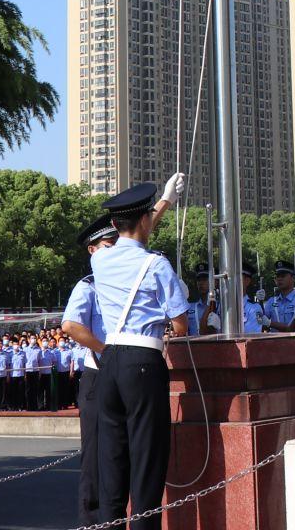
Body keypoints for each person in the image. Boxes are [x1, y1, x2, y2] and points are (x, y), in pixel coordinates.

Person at [91, 176, 192, 528]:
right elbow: (181, 325)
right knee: (147, 460)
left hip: (109, 360)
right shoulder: (157, 265)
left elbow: (136, 233)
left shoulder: (101, 261)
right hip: (144, 361)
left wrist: (163, 203)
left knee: (112, 459)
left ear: (114, 223)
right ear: (145, 219)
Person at [62, 213, 118, 526]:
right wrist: (105, 351)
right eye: (108, 246)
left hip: (124, 372)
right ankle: (92, 522)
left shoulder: (122, 284)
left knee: (120, 453)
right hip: (99, 373)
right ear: (92, 250)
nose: (114, 252)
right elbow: (71, 325)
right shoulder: (89, 286)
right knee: (95, 459)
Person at [264, 263, 295, 332]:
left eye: (283, 276)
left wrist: (270, 323)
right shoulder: (271, 301)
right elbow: (261, 324)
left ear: (293, 278)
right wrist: (260, 303)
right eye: (277, 276)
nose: (279, 279)